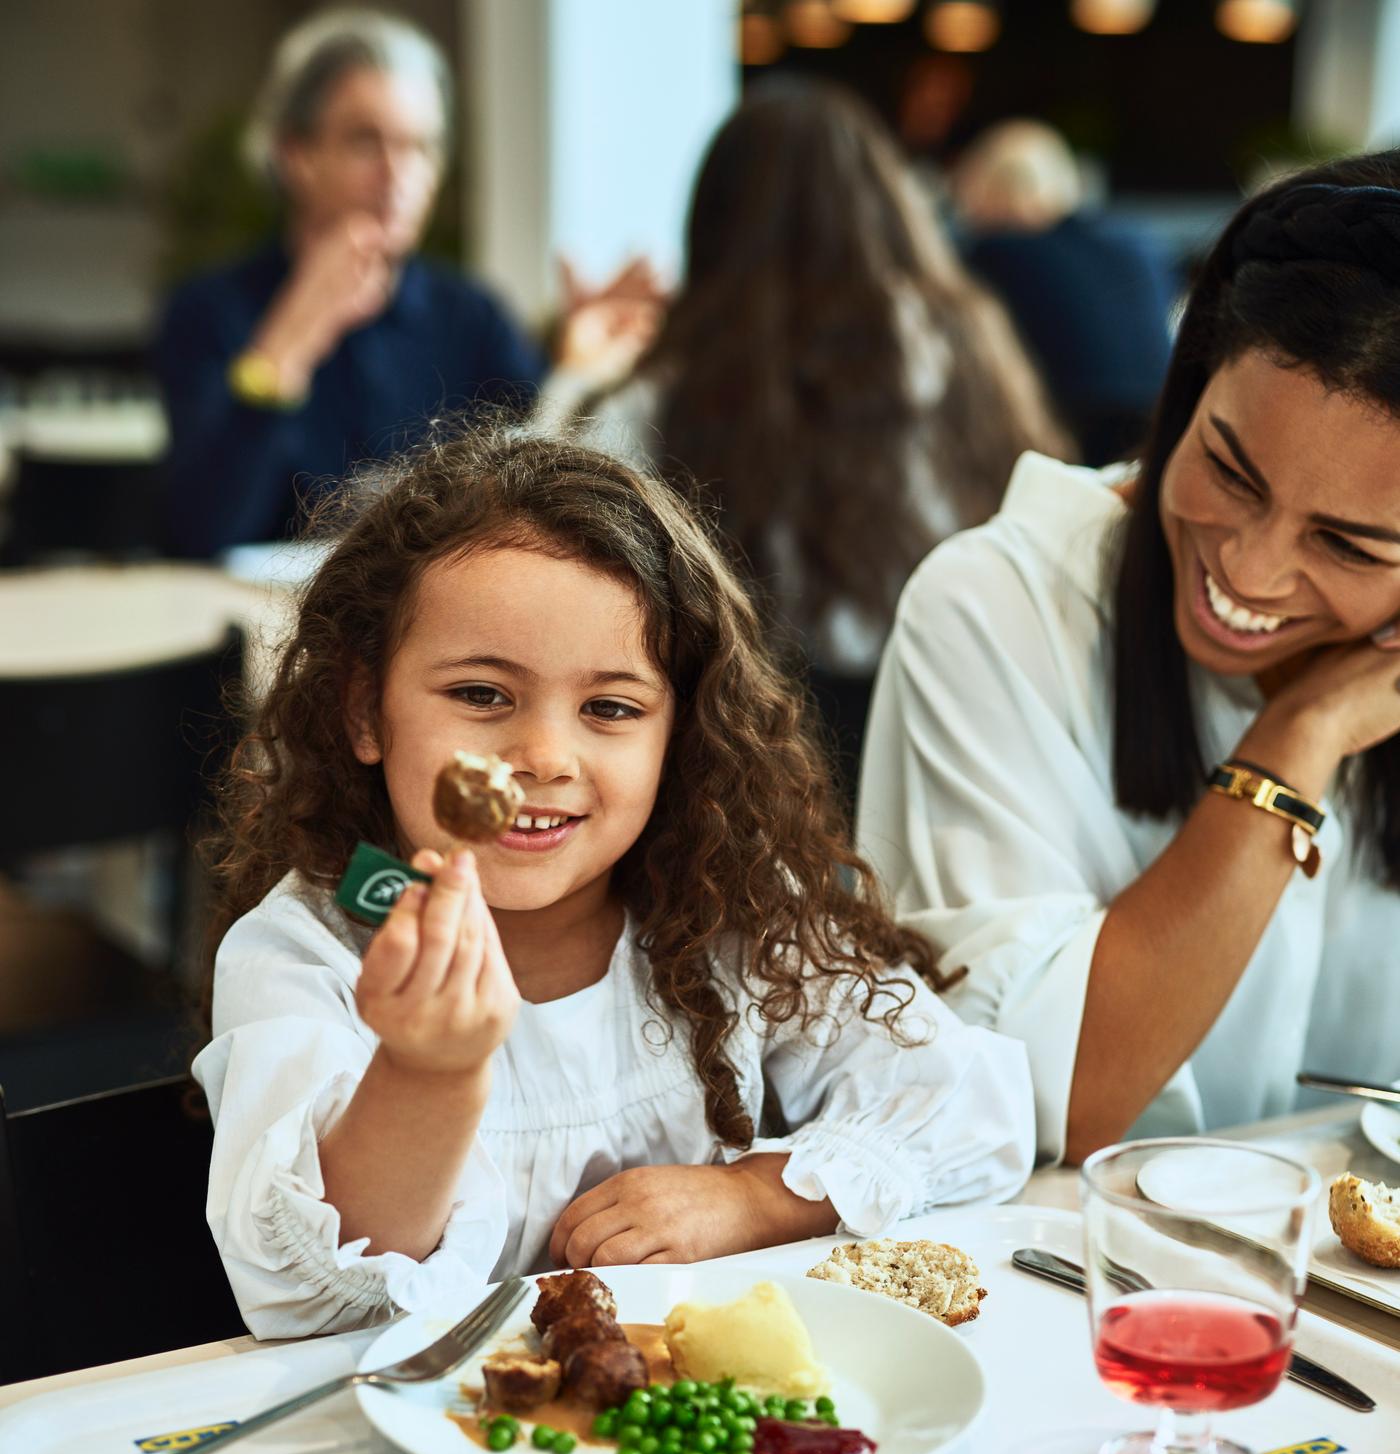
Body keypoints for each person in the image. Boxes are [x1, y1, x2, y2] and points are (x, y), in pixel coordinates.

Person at [193, 425, 1034, 1338]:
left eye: (610, 709)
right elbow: (306, 1297)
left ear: (681, 737)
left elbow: (972, 1108)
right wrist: (427, 1072)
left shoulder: (724, 907)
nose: (544, 757)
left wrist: (752, 1201)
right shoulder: (303, 955)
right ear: (365, 710)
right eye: (481, 695)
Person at [856, 155, 1400, 1166]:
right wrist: (1299, 734)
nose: (1248, 566)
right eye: (1227, 471)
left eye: (1345, 545)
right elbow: (1069, 1095)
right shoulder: (996, 606)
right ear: (1188, 390)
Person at [546, 85, 1068, 813]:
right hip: (957, 752)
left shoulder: (679, 389)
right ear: (884, 207)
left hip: (740, 777)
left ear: (716, 225)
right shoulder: (964, 354)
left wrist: (578, 369)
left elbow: (550, 523)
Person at [154, 10, 655, 559]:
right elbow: (200, 531)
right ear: (295, 156)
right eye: (366, 142)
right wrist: (286, 345)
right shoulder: (212, 311)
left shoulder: (469, 315)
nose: (398, 176)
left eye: (420, 147)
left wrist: (581, 370)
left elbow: (543, 484)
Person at [953, 121, 1176, 468]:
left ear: (985, 190)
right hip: (1161, 436)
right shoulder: (1138, 243)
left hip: (1066, 447)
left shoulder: (995, 254)